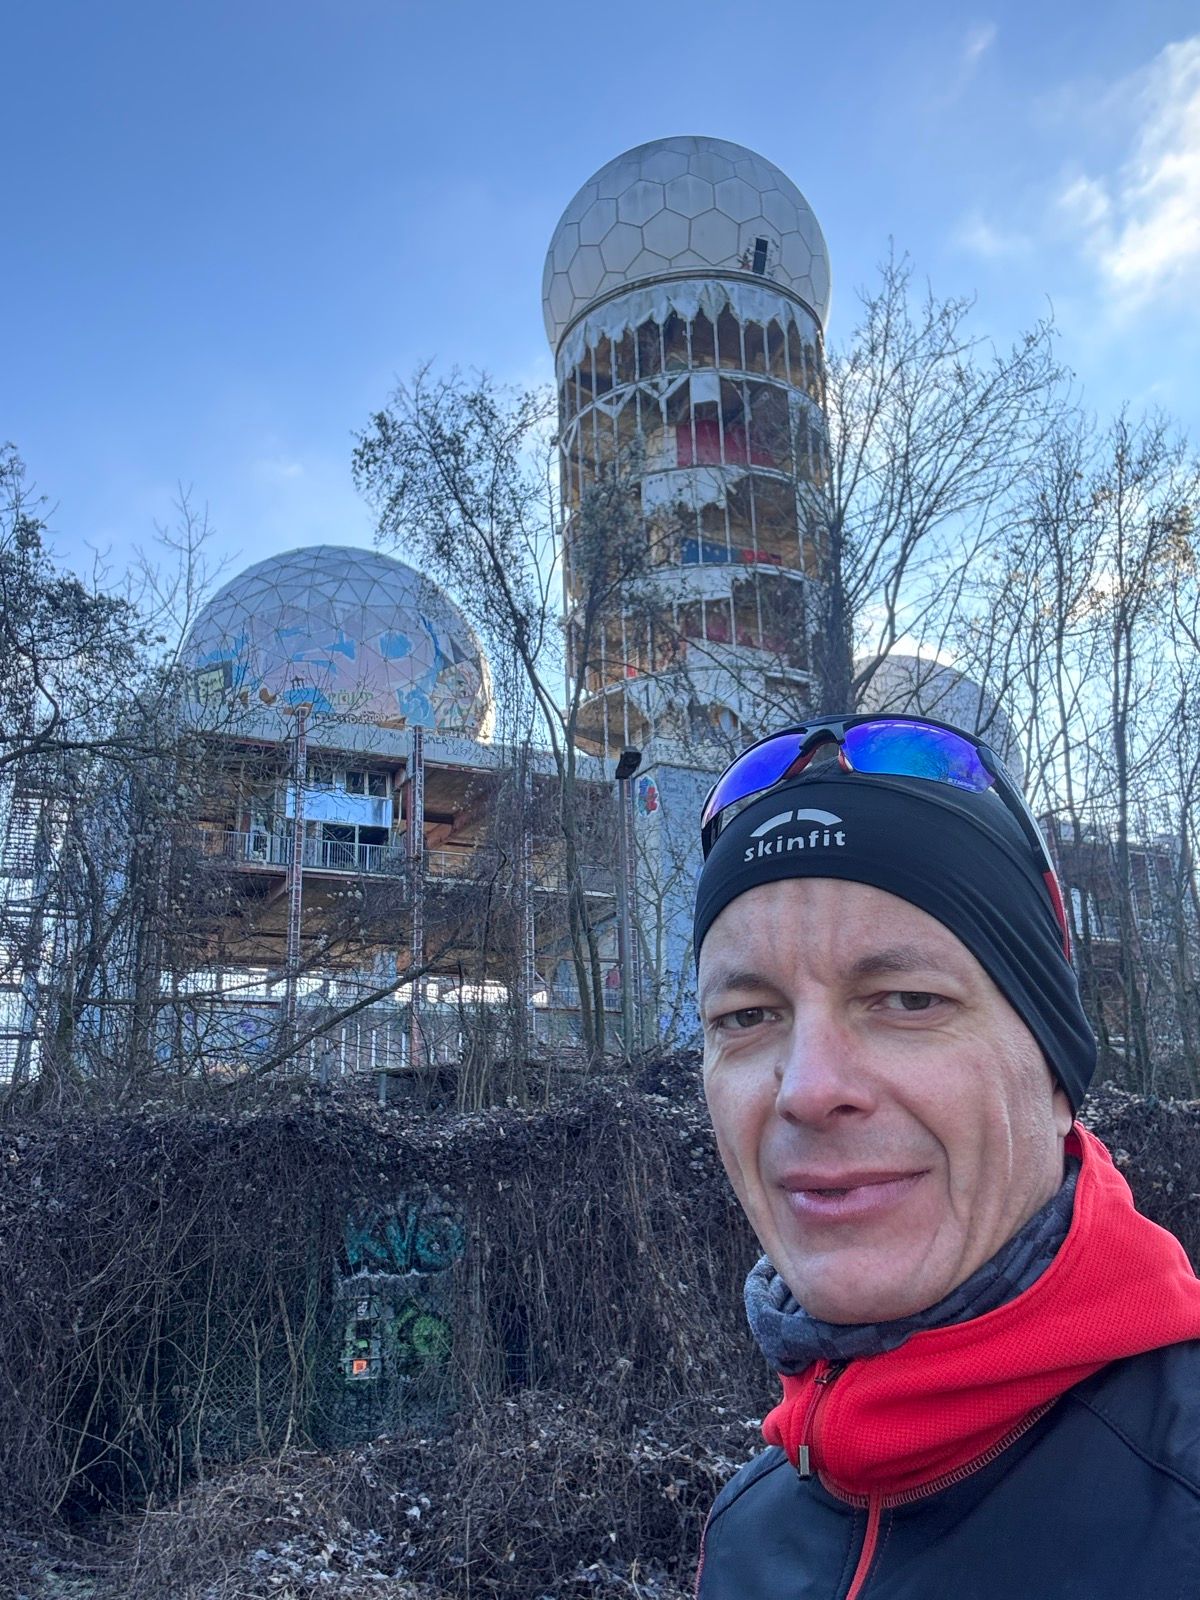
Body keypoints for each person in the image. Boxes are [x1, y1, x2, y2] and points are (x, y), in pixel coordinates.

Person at [691, 715, 1200, 1599]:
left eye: (906, 999)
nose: (807, 1089)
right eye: (747, 1017)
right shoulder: (747, 1533)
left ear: (1054, 1071)